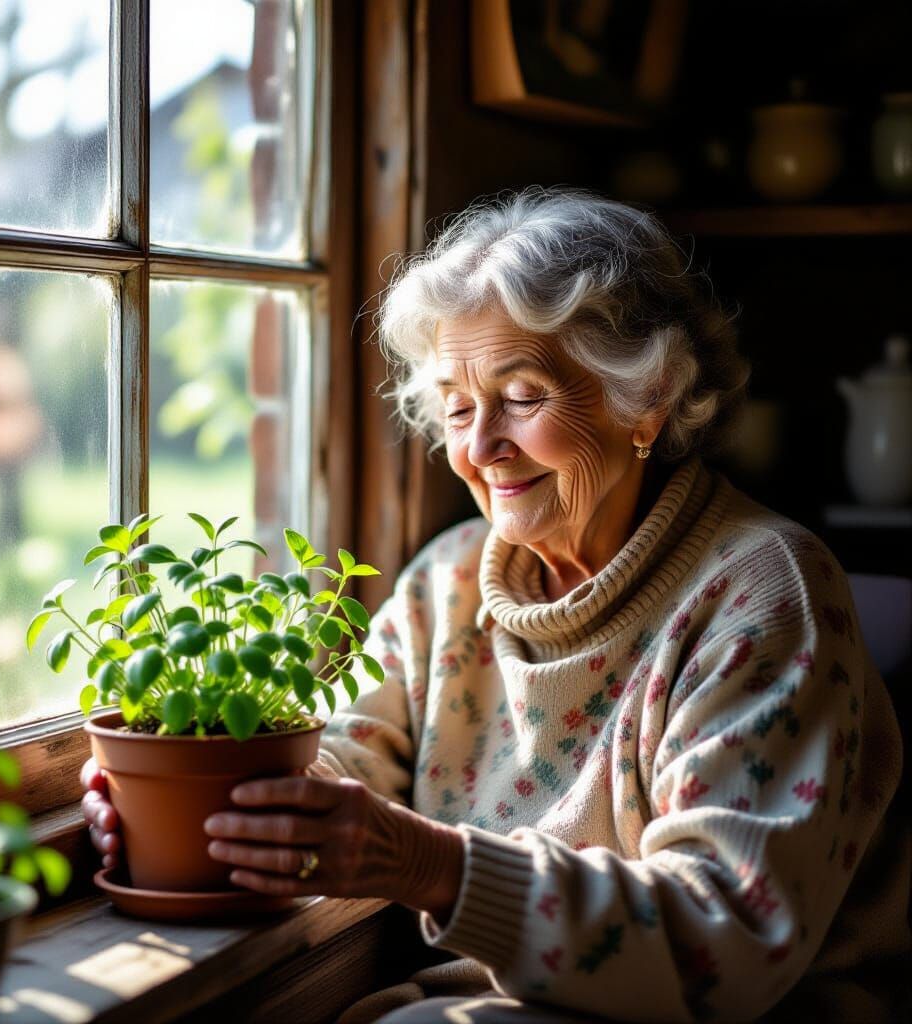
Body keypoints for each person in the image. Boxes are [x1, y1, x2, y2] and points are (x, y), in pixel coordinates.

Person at [81, 188, 910, 1022]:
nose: (479, 449)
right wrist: (209, 802)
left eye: (521, 397)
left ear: (646, 399)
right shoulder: (448, 581)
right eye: (457, 407)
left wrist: (431, 865)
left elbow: (723, 940)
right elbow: (348, 755)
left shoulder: (766, 593)